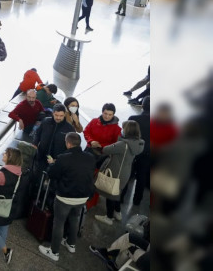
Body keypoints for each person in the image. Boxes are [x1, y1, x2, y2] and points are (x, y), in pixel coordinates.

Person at [38, 132, 96, 262]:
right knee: (75, 218)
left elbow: (52, 174)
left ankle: (54, 252)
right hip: (83, 196)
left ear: (68, 143)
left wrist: (52, 164)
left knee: (59, 222)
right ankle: (71, 244)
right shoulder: (90, 157)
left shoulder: (63, 158)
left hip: (65, 196)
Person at [95, 120, 145, 225]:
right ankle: (117, 212)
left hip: (116, 171)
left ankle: (109, 217)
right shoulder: (139, 143)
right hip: (126, 172)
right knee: (117, 193)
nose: (122, 130)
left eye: (123, 128)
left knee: (110, 194)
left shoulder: (123, 144)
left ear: (127, 130)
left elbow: (106, 150)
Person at [32, 104, 75, 171]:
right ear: (53, 113)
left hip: (56, 160)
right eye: (56, 115)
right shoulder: (46, 121)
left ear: (65, 115)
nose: (58, 118)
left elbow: (71, 148)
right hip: (41, 155)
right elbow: (38, 133)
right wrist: (35, 144)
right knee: (36, 173)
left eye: (61, 116)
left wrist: (59, 159)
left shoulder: (70, 129)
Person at [128, 97, 150, 207]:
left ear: (142, 106)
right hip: (147, 153)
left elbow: (126, 135)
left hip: (132, 151)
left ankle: (121, 198)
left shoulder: (133, 118)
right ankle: (137, 200)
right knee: (142, 176)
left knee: (127, 173)